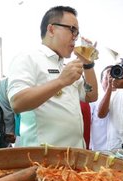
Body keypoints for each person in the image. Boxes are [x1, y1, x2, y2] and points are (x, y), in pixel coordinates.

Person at [7, 6, 98, 148]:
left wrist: (88, 64)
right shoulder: (28, 57)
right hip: (44, 160)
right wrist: (61, 81)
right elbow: (17, 103)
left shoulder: (65, 66)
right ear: (51, 29)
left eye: (77, 32)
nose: (75, 37)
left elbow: (90, 96)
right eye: (72, 29)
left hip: (74, 156)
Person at [88, 66, 112, 151]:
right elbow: (87, 123)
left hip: (117, 150)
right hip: (99, 150)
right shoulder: (94, 100)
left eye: (113, 76)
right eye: (107, 77)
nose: (110, 80)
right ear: (101, 81)